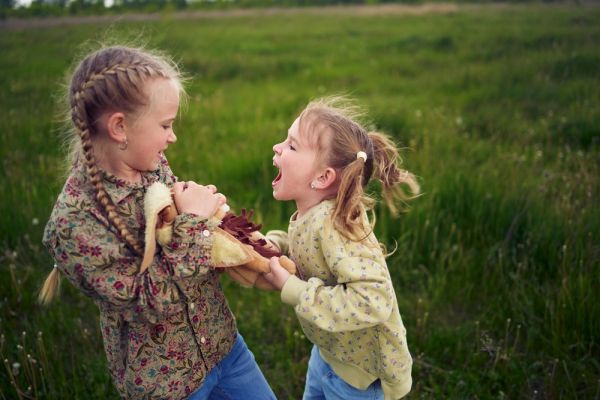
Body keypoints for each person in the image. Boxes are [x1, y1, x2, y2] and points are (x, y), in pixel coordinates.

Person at [38, 45, 276, 400]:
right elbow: (146, 304)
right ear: (120, 127)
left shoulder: (154, 166)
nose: (172, 136)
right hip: (167, 386)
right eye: (165, 125)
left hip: (225, 348)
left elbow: (175, 234)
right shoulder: (74, 226)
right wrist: (194, 223)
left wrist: (228, 235)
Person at [264, 97, 420, 399]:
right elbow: (308, 247)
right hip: (328, 354)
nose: (278, 147)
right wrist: (275, 244)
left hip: (359, 378)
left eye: (292, 146)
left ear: (323, 177)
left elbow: (374, 299)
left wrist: (295, 289)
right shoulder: (314, 212)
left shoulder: (337, 226)